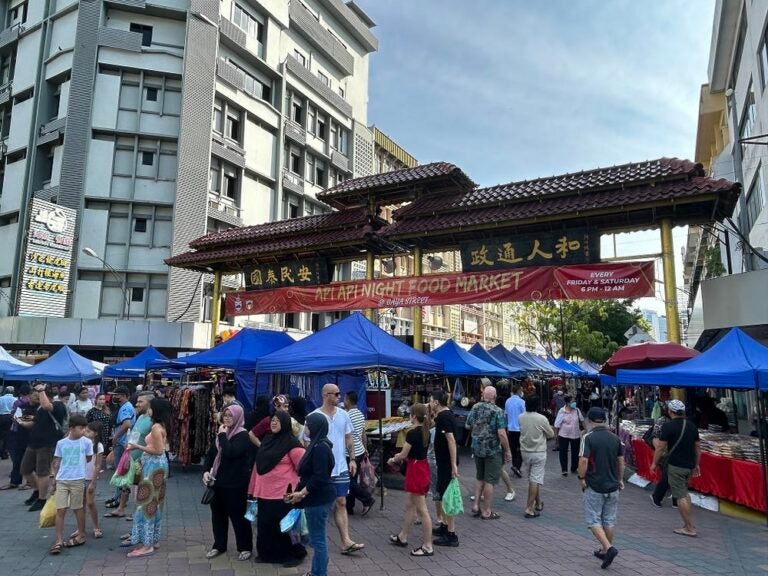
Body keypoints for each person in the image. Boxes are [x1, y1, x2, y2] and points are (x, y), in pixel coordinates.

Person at [305, 384, 364, 555]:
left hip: (340, 466)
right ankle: (315, 539)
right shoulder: (313, 416)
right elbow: (306, 442)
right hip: (321, 469)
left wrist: (352, 459)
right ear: (326, 395)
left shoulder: (344, 415)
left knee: (341, 501)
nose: (339, 397)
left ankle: (346, 541)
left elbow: (348, 438)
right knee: (321, 505)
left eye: (339, 394)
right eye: (336, 394)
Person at [249, 410, 306, 566]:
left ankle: (293, 555)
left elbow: (303, 466)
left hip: (284, 493)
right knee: (266, 525)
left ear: (285, 423)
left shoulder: (292, 443)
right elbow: (258, 465)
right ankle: (267, 554)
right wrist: (253, 488)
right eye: (272, 420)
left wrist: (300, 491)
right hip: (265, 492)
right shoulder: (268, 440)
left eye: (277, 421)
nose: (273, 423)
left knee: (286, 526)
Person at [285, 413, 336, 576]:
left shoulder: (320, 447)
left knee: (318, 540)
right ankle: (317, 571)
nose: (305, 427)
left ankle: (319, 573)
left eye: (308, 425)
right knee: (317, 538)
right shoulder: (317, 444)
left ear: (315, 427)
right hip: (316, 498)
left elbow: (319, 477)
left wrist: (302, 493)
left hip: (318, 499)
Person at [203, 404, 254, 562]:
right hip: (217, 483)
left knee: (238, 517)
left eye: (230, 415)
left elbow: (231, 452)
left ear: (238, 417)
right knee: (218, 516)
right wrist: (206, 471)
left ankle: (245, 547)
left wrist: (222, 436)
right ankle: (219, 545)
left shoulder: (242, 435)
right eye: (225, 415)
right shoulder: (221, 434)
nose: (227, 418)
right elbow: (211, 455)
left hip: (235, 484)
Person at [124, 397, 171, 558]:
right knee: (154, 502)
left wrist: (137, 446)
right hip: (157, 466)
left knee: (147, 502)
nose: (148, 410)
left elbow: (158, 450)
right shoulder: (160, 425)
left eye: (150, 407)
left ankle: (147, 544)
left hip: (154, 466)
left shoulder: (156, 427)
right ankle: (152, 539)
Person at [577, 407, 624, 569]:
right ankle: (605, 550)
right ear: (604, 420)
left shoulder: (588, 437)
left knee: (593, 520)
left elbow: (583, 461)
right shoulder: (615, 438)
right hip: (613, 486)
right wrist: (620, 479)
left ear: (590, 420)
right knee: (609, 520)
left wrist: (581, 478)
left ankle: (609, 548)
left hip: (595, 485)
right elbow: (621, 461)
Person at [386, 403, 433, 557]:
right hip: (421, 467)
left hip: (415, 470)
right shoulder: (426, 431)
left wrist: (393, 459)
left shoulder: (412, 433)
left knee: (422, 510)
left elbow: (403, 454)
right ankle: (403, 536)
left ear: (413, 416)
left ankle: (428, 545)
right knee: (410, 505)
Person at [651, 399, 701, 538]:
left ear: (670, 411)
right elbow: (697, 448)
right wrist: (696, 464)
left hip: (676, 465)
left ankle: (689, 527)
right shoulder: (692, 426)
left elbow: (660, 448)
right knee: (684, 493)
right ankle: (688, 524)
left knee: (680, 496)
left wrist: (654, 463)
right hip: (689, 465)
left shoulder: (668, 426)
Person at [48, 414, 93, 555]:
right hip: (62, 479)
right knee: (60, 509)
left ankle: (81, 534)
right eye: (81, 428)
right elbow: (57, 461)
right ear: (72, 428)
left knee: (77, 508)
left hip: (78, 479)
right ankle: (58, 540)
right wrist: (54, 480)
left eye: (85, 428)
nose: (83, 431)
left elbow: (89, 457)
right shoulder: (61, 443)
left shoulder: (86, 442)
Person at [465, 385, 512, 520]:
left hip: (477, 448)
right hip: (492, 449)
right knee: (490, 480)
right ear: (495, 397)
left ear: (483, 395)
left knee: (479, 477)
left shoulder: (475, 407)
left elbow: (468, 425)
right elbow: (501, 433)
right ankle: (487, 511)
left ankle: (476, 505)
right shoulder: (497, 411)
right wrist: (507, 450)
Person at [19, 383, 67, 511]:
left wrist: (41, 390)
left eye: (38, 394)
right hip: (33, 443)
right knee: (25, 469)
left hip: (47, 444)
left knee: (42, 472)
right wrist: (20, 422)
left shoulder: (58, 405)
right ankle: (36, 491)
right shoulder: (40, 408)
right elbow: (33, 423)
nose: (36, 397)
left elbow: (47, 406)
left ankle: (42, 499)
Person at [108, 391, 152, 519]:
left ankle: (138, 512)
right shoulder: (141, 417)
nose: (137, 404)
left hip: (142, 458)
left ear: (149, 403)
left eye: (140, 402)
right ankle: (121, 508)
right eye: (137, 401)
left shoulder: (153, 421)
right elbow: (134, 434)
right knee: (125, 483)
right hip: (130, 454)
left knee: (140, 486)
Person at [429, 390, 460, 548]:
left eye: (430, 401)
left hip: (447, 463)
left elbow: (451, 440)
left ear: (436, 402)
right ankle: (445, 526)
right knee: (442, 494)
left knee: (447, 497)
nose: (429, 404)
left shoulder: (444, 417)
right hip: (443, 462)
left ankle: (451, 534)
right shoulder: (444, 415)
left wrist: (453, 464)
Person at [519, 395, 555, 519]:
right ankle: (529, 508)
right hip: (538, 451)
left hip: (525, 451)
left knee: (533, 478)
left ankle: (538, 503)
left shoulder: (521, 417)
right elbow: (551, 434)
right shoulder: (542, 418)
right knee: (535, 479)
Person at [344, 391, 374, 516]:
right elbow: (363, 434)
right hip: (360, 450)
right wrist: (365, 448)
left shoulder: (346, 415)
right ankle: (349, 507)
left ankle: (367, 499)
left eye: (344, 399)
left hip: (350, 453)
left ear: (348, 400)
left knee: (348, 481)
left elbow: (346, 436)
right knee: (352, 479)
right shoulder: (361, 415)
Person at [105, 386, 135, 509]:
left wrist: (116, 437)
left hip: (122, 443)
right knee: (120, 471)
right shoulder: (125, 406)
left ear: (124, 396)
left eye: (117, 395)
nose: (115, 397)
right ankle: (118, 496)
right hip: (124, 442)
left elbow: (127, 424)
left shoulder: (125, 408)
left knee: (120, 471)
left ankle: (120, 499)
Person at [1, 384, 31, 490]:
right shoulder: (27, 402)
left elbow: (15, 417)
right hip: (27, 431)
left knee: (18, 457)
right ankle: (29, 482)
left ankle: (16, 481)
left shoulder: (19, 402)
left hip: (17, 430)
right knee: (25, 457)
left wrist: (17, 419)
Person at [648, 401, 676, 508]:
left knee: (671, 476)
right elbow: (657, 438)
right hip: (666, 452)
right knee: (667, 476)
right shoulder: (663, 421)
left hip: (672, 452)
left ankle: (674, 500)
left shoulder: (675, 422)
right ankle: (658, 498)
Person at [82, 421, 104, 539]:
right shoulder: (82, 442)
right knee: (80, 504)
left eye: (88, 431)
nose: (85, 432)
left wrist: (93, 481)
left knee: (90, 503)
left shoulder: (98, 446)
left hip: (90, 477)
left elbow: (98, 464)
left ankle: (96, 526)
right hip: (80, 476)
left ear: (95, 433)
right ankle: (81, 528)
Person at [554, 395, 583, 476]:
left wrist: (586, 430)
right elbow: (556, 425)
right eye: (572, 401)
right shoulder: (561, 411)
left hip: (575, 434)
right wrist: (556, 437)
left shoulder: (577, 410)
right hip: (564, 435)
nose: (574, 403)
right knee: (563, 452)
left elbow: (582, 420)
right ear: (567, 403)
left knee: (576, 453)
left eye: (575, 401)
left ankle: (574, 468)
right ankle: (564, 469)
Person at [504, 383, 525, 477]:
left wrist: (507, 426)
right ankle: (517, 466)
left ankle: (514, 465)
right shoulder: (521, 402)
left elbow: (506, 415)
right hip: (520, 429)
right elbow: (524, 415)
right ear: (519, 391)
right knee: (521, 448)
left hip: (510, 429)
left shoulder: (507, 401)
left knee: (513, 448)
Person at [0, 386, 15, 459]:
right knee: (6, 436)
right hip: (9, 417)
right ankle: (4, 453)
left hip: (1, 417)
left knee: (1, 435)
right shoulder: (15, 399)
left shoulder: (1, 398)